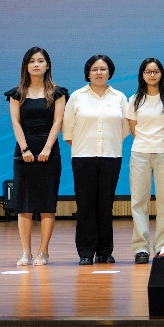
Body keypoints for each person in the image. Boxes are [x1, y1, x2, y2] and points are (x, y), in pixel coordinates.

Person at [5, 47, 67, 266]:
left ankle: (43, 252)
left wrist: (47, 148)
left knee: (47, 204)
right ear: (26, 66)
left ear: (47, 65)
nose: (36, 64)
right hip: (24, 152)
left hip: (49, 151)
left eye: (40, 61)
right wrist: (25, 149)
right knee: (24, 204)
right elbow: (16, 122)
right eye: (32, 61)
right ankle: (25, 252)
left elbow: (58, 121)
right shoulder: (17, 93)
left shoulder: (57, 92)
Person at [65, 55, 130, 265]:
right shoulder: (77, 96)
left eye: (103, 69)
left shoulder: (119, 97)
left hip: (111, 156)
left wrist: (109, 142)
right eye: (94, 69)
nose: (99, 72)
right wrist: (85, 146)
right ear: (88, 73)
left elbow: (125, 128)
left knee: (105, 205)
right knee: (85, 205)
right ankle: (85, 252)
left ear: (110, 72)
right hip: (83, 157)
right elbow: (68, 130)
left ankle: (104, 252)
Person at [125, 57, 164, 264]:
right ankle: (141, 248)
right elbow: (134, 129)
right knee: (138, 201)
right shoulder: (134, 99)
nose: (152, 75)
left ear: (161, 74)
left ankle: (162, 246)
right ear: (142, 75)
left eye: (155, 71)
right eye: (148, 72)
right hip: (140, 153)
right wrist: (147, 142)